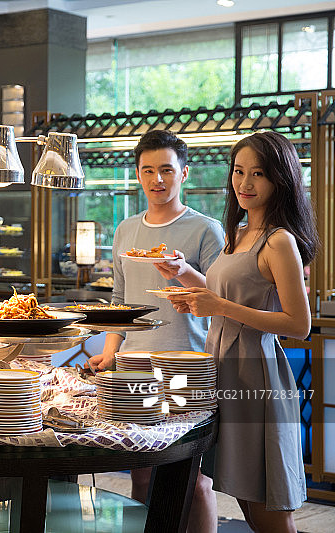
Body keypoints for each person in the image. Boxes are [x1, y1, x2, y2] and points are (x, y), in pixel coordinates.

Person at [167, 131, 316, 533]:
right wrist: (186, 279)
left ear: (280, 180)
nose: (245, 184)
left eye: (259, 174)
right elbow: (223, 297)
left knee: (266, 510)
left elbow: (298, 326)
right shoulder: (238, 233)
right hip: (221, 372)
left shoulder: (279, 240)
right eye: (238, 171)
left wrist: (220, 306)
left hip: (256, 378)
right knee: (243, 502)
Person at [86, 129, 224, 532]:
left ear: (184, 173)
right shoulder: (126, 230)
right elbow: (119, 301)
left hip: (187, 365)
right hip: (133, 367)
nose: (157, 179)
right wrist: (111, 350)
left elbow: (221, 296)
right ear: (138, 174)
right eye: (148, 170)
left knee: (193, 477)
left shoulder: (206, 229)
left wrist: (186, 273)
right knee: (142, 473)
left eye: (166, 169)